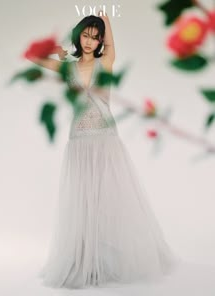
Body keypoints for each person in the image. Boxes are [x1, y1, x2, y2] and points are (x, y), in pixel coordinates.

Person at [28, 11, 182, 289]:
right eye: (85, 35)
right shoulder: (69, 67)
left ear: (100, 42)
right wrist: (61, 54)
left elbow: (112, 46)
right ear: (78, 37)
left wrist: (105, 22)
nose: (90, 41)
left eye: (95, 37)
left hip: (105, 140)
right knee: (82, 203)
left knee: (106, 201)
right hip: (78, 143)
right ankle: (84, 261)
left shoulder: (105, 63)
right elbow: (33, 59)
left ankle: (103, 261)